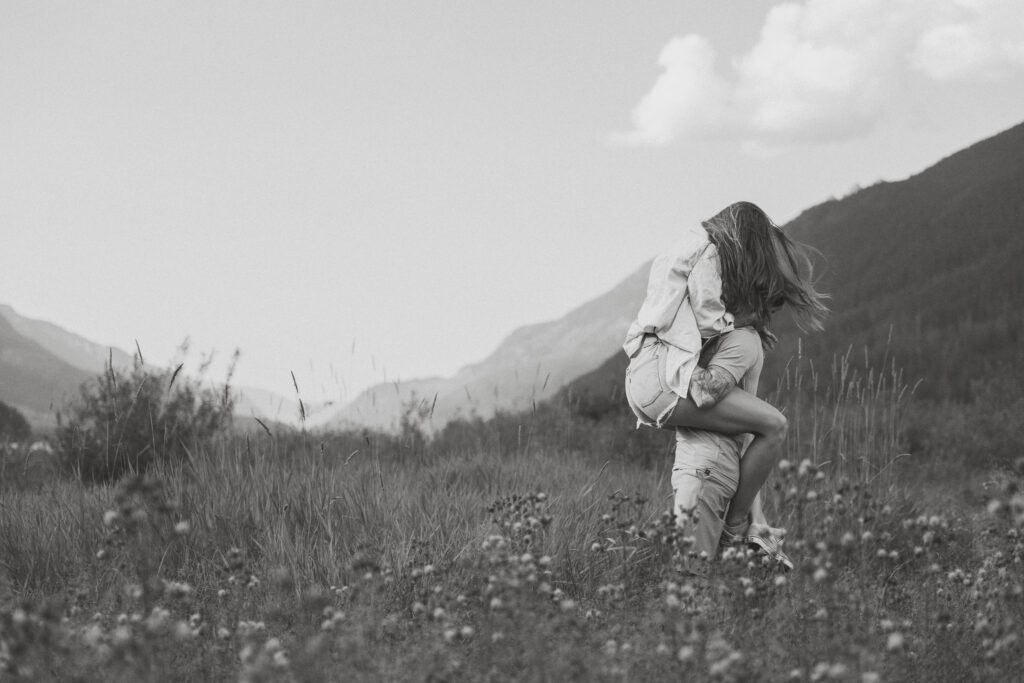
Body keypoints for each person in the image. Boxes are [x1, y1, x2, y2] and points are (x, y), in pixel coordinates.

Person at [623, 201, 828, 564]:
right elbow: (707, 318)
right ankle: (736, 528)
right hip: (660, 377)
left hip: (647, 374)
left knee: (751, 426)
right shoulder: (708, 250)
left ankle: (751, 525)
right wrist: (745, 325)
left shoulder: (683, 248)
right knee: (775, 424)